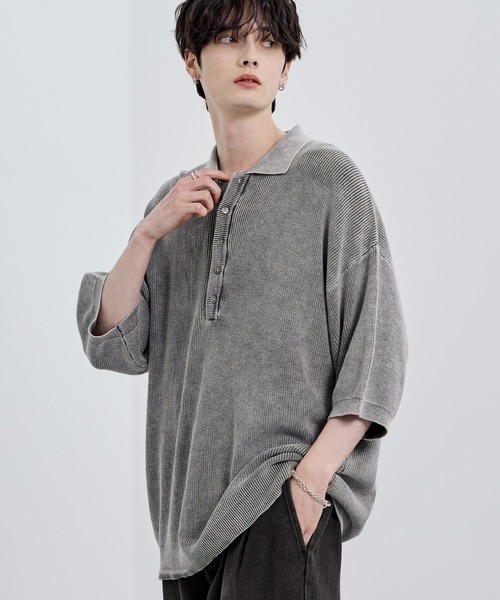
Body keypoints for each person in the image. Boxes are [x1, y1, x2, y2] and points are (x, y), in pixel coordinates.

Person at [76, 0, 409, 598]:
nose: (251, 55)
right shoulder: (173, 205)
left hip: (277, 501)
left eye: (268, 42)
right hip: (183, 526)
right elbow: (115, 347)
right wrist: (148, 233)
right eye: (230, 38)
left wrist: (307, 484)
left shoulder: (330, 182)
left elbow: (376, 351)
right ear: (192, 61)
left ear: (286, 70)